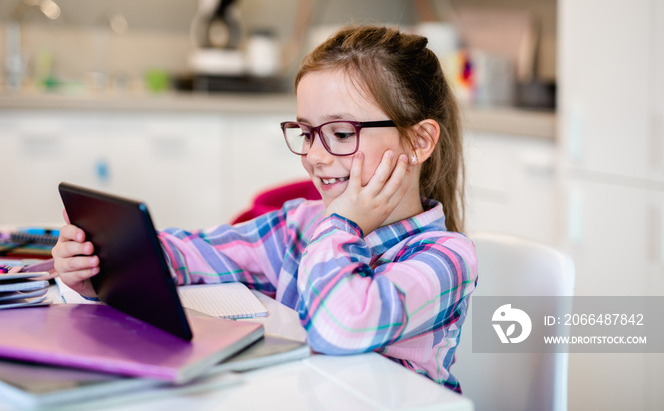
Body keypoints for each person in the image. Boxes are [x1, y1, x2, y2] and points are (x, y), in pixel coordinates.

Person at [52, 25, 478, 393]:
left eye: (342, 134)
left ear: (419, 141)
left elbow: (342, 326)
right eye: (306, 133)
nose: (315, 156)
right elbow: (195, 253)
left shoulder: (445, 258)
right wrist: (102, 264)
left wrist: (342, 225)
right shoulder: (301, 224)